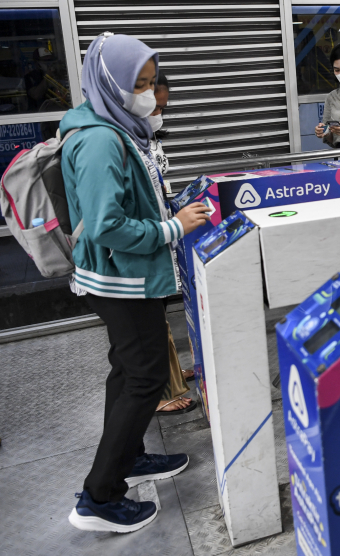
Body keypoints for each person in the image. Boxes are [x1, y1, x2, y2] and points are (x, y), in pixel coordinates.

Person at [60, 33, 210, 533]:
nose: (147, 94)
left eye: (151, 83)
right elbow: (106, 224)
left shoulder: (112, 125)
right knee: (144, 379)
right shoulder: (101, 139)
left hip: (124, 277)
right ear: (109, 83)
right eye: (139, 85)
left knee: (126, 373)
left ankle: (130, 456)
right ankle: (100, 497)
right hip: (121, 280)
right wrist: (174, 227)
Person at [147, 72, 199, 416]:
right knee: (148, 323)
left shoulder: (148, 138)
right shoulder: (120, 142)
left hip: (161, 230)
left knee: (161, 315)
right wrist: (170, 227)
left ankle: (170, 374)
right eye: (154, 106)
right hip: (146, 242)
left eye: (163, 107)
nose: (159, 114)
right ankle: (161, 388)